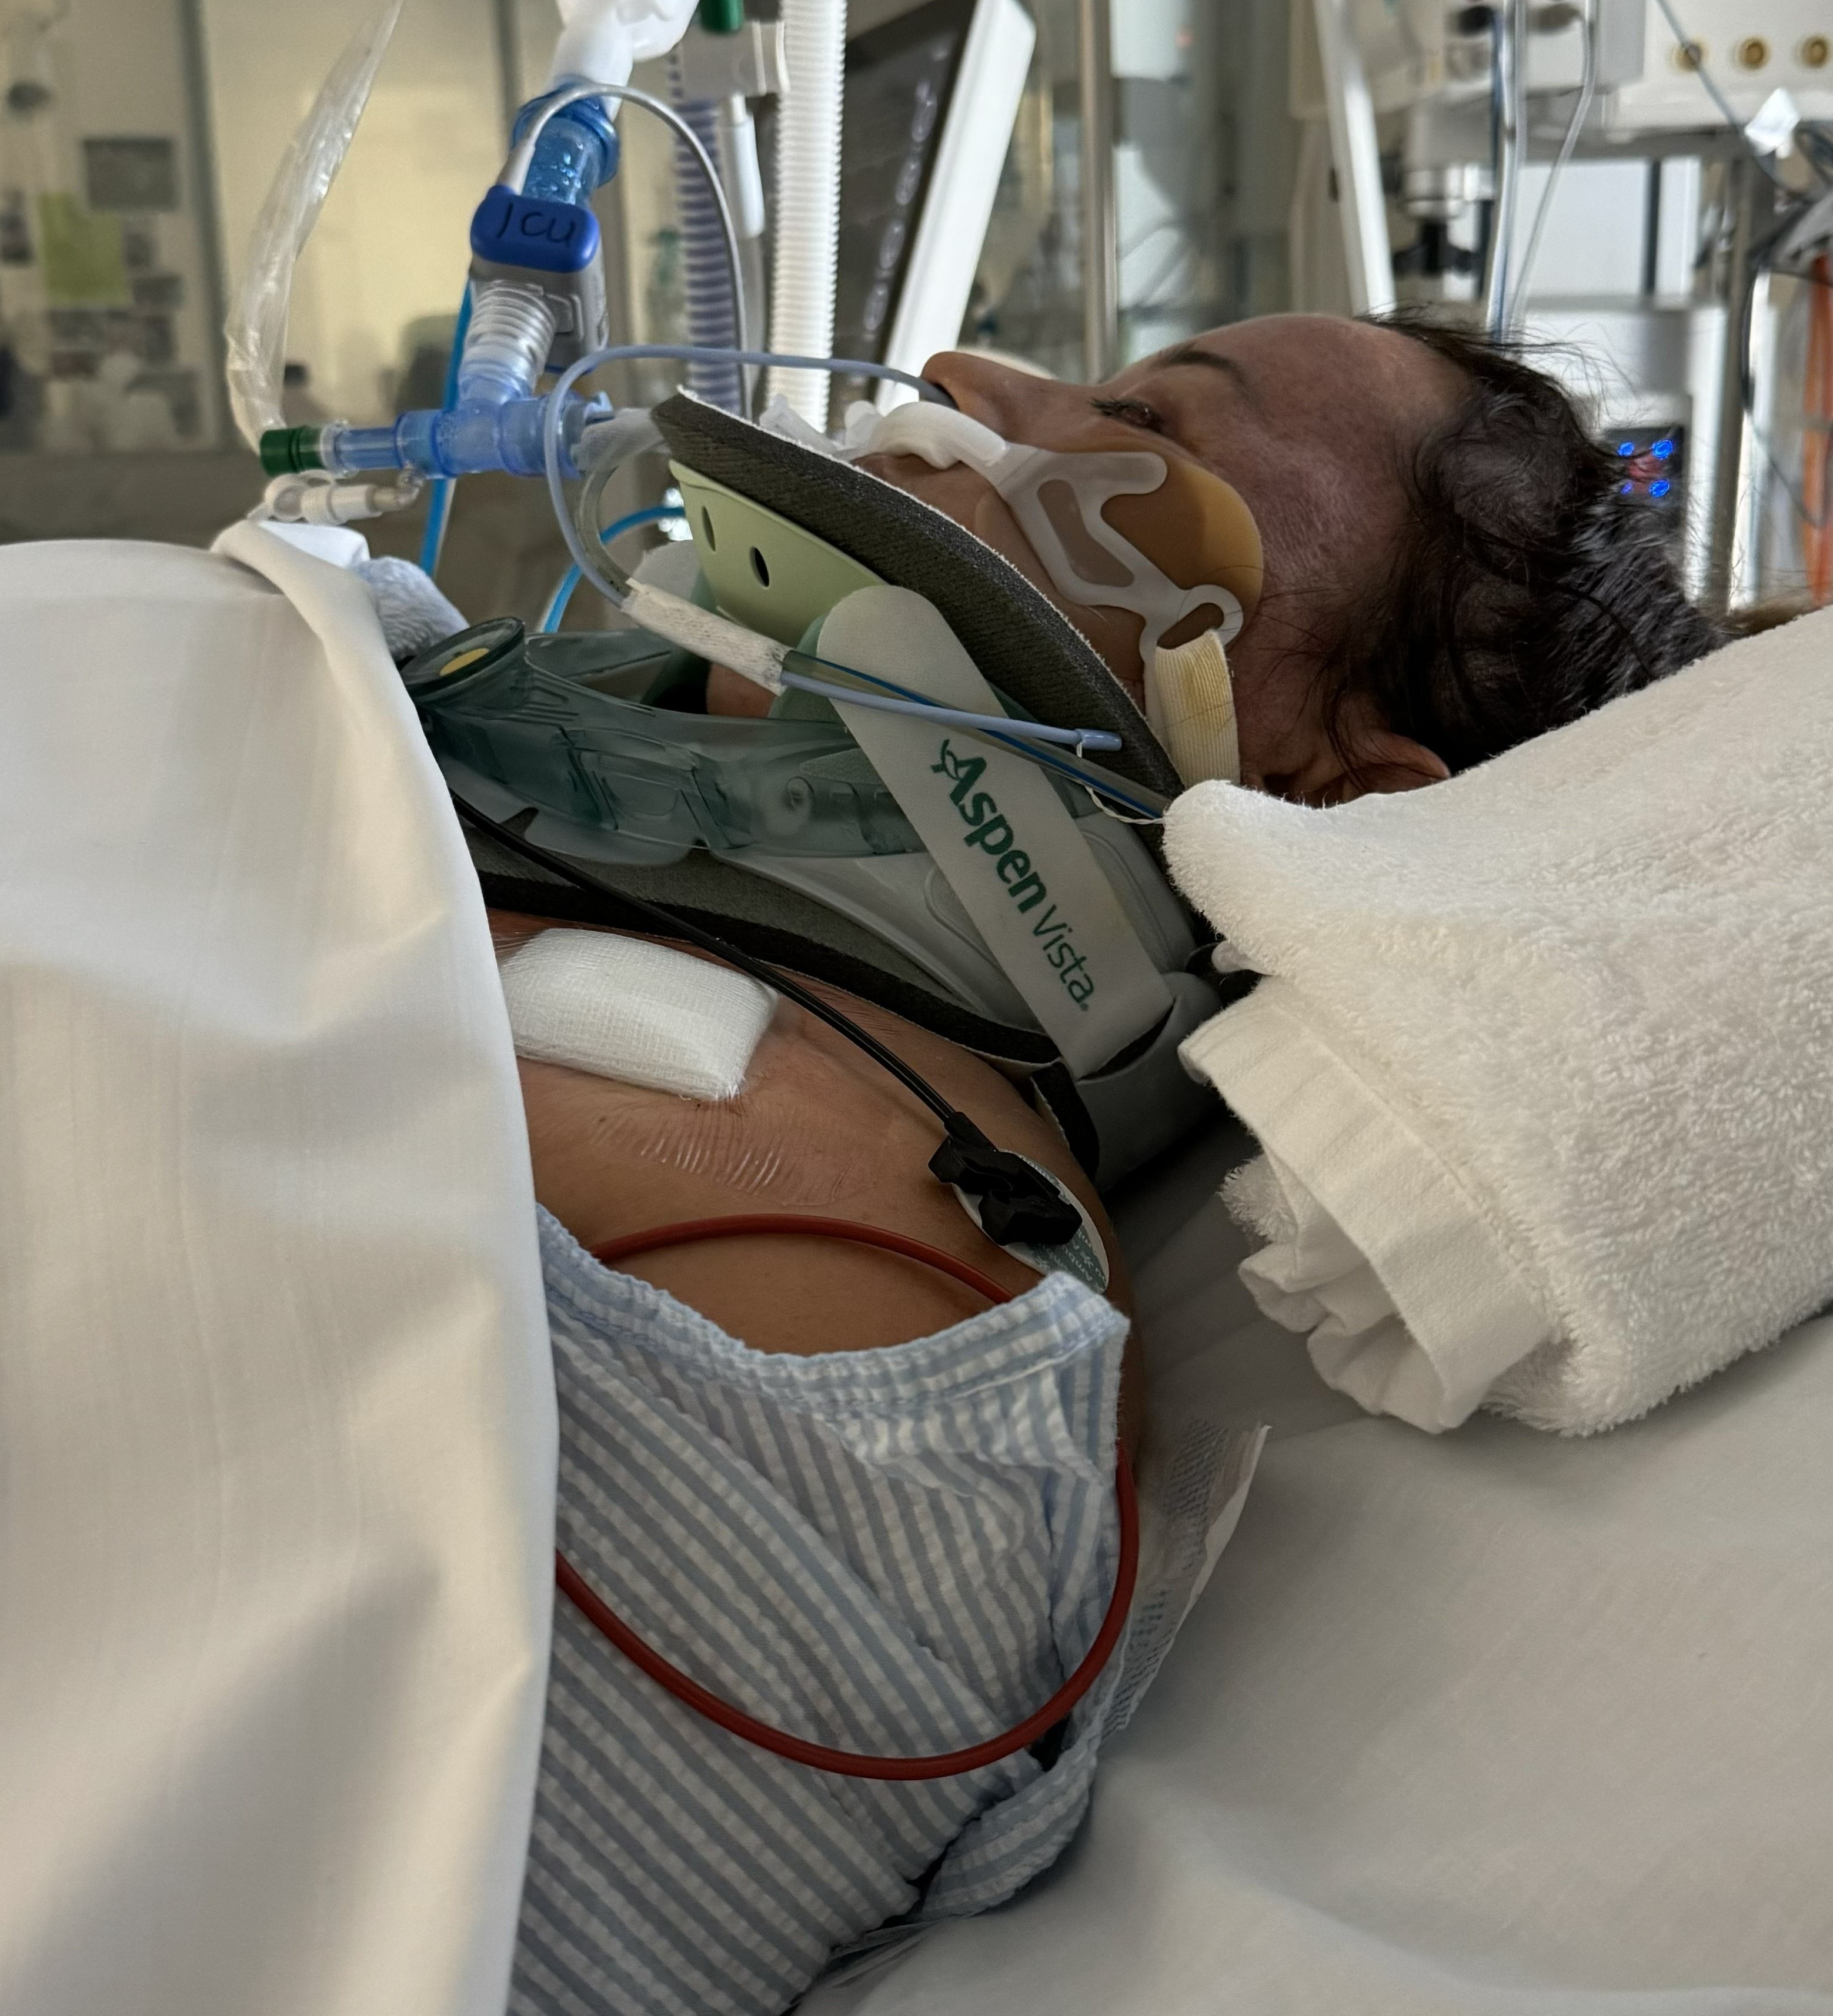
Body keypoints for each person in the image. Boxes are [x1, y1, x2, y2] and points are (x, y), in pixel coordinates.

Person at [489, 310, 1720, 2016]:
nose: (968, 387)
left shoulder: (881, 1358)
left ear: (1323, 792)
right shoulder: (456, 711)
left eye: (1146, 419)